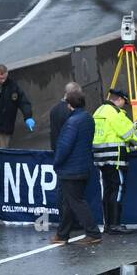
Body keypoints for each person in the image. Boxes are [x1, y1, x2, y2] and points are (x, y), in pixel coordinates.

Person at [52, 91, 102, 244]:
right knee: (69, 202)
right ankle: (62, 235)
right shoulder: (88, 118)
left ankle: (93, 233)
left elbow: (64, 146)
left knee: (76, 202)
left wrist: (57, 162)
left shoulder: (72, 122)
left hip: (70, 169)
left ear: (69, 105)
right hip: (84, 166)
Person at [92, 88, 137, 234]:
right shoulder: (115, 113)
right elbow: (128, 134)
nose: (124, 106)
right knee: (117, 189)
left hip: (100, 157)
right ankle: (115, 224)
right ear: (119, 99)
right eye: (124, 102)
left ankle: (108, 224)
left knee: (107, 190)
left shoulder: (98, 111)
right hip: (115, 158)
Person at [49, 82, 83, 151]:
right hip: (70, 150)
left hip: (57, 149)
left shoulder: (53, 109)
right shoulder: (73, 109)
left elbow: (53, 133)